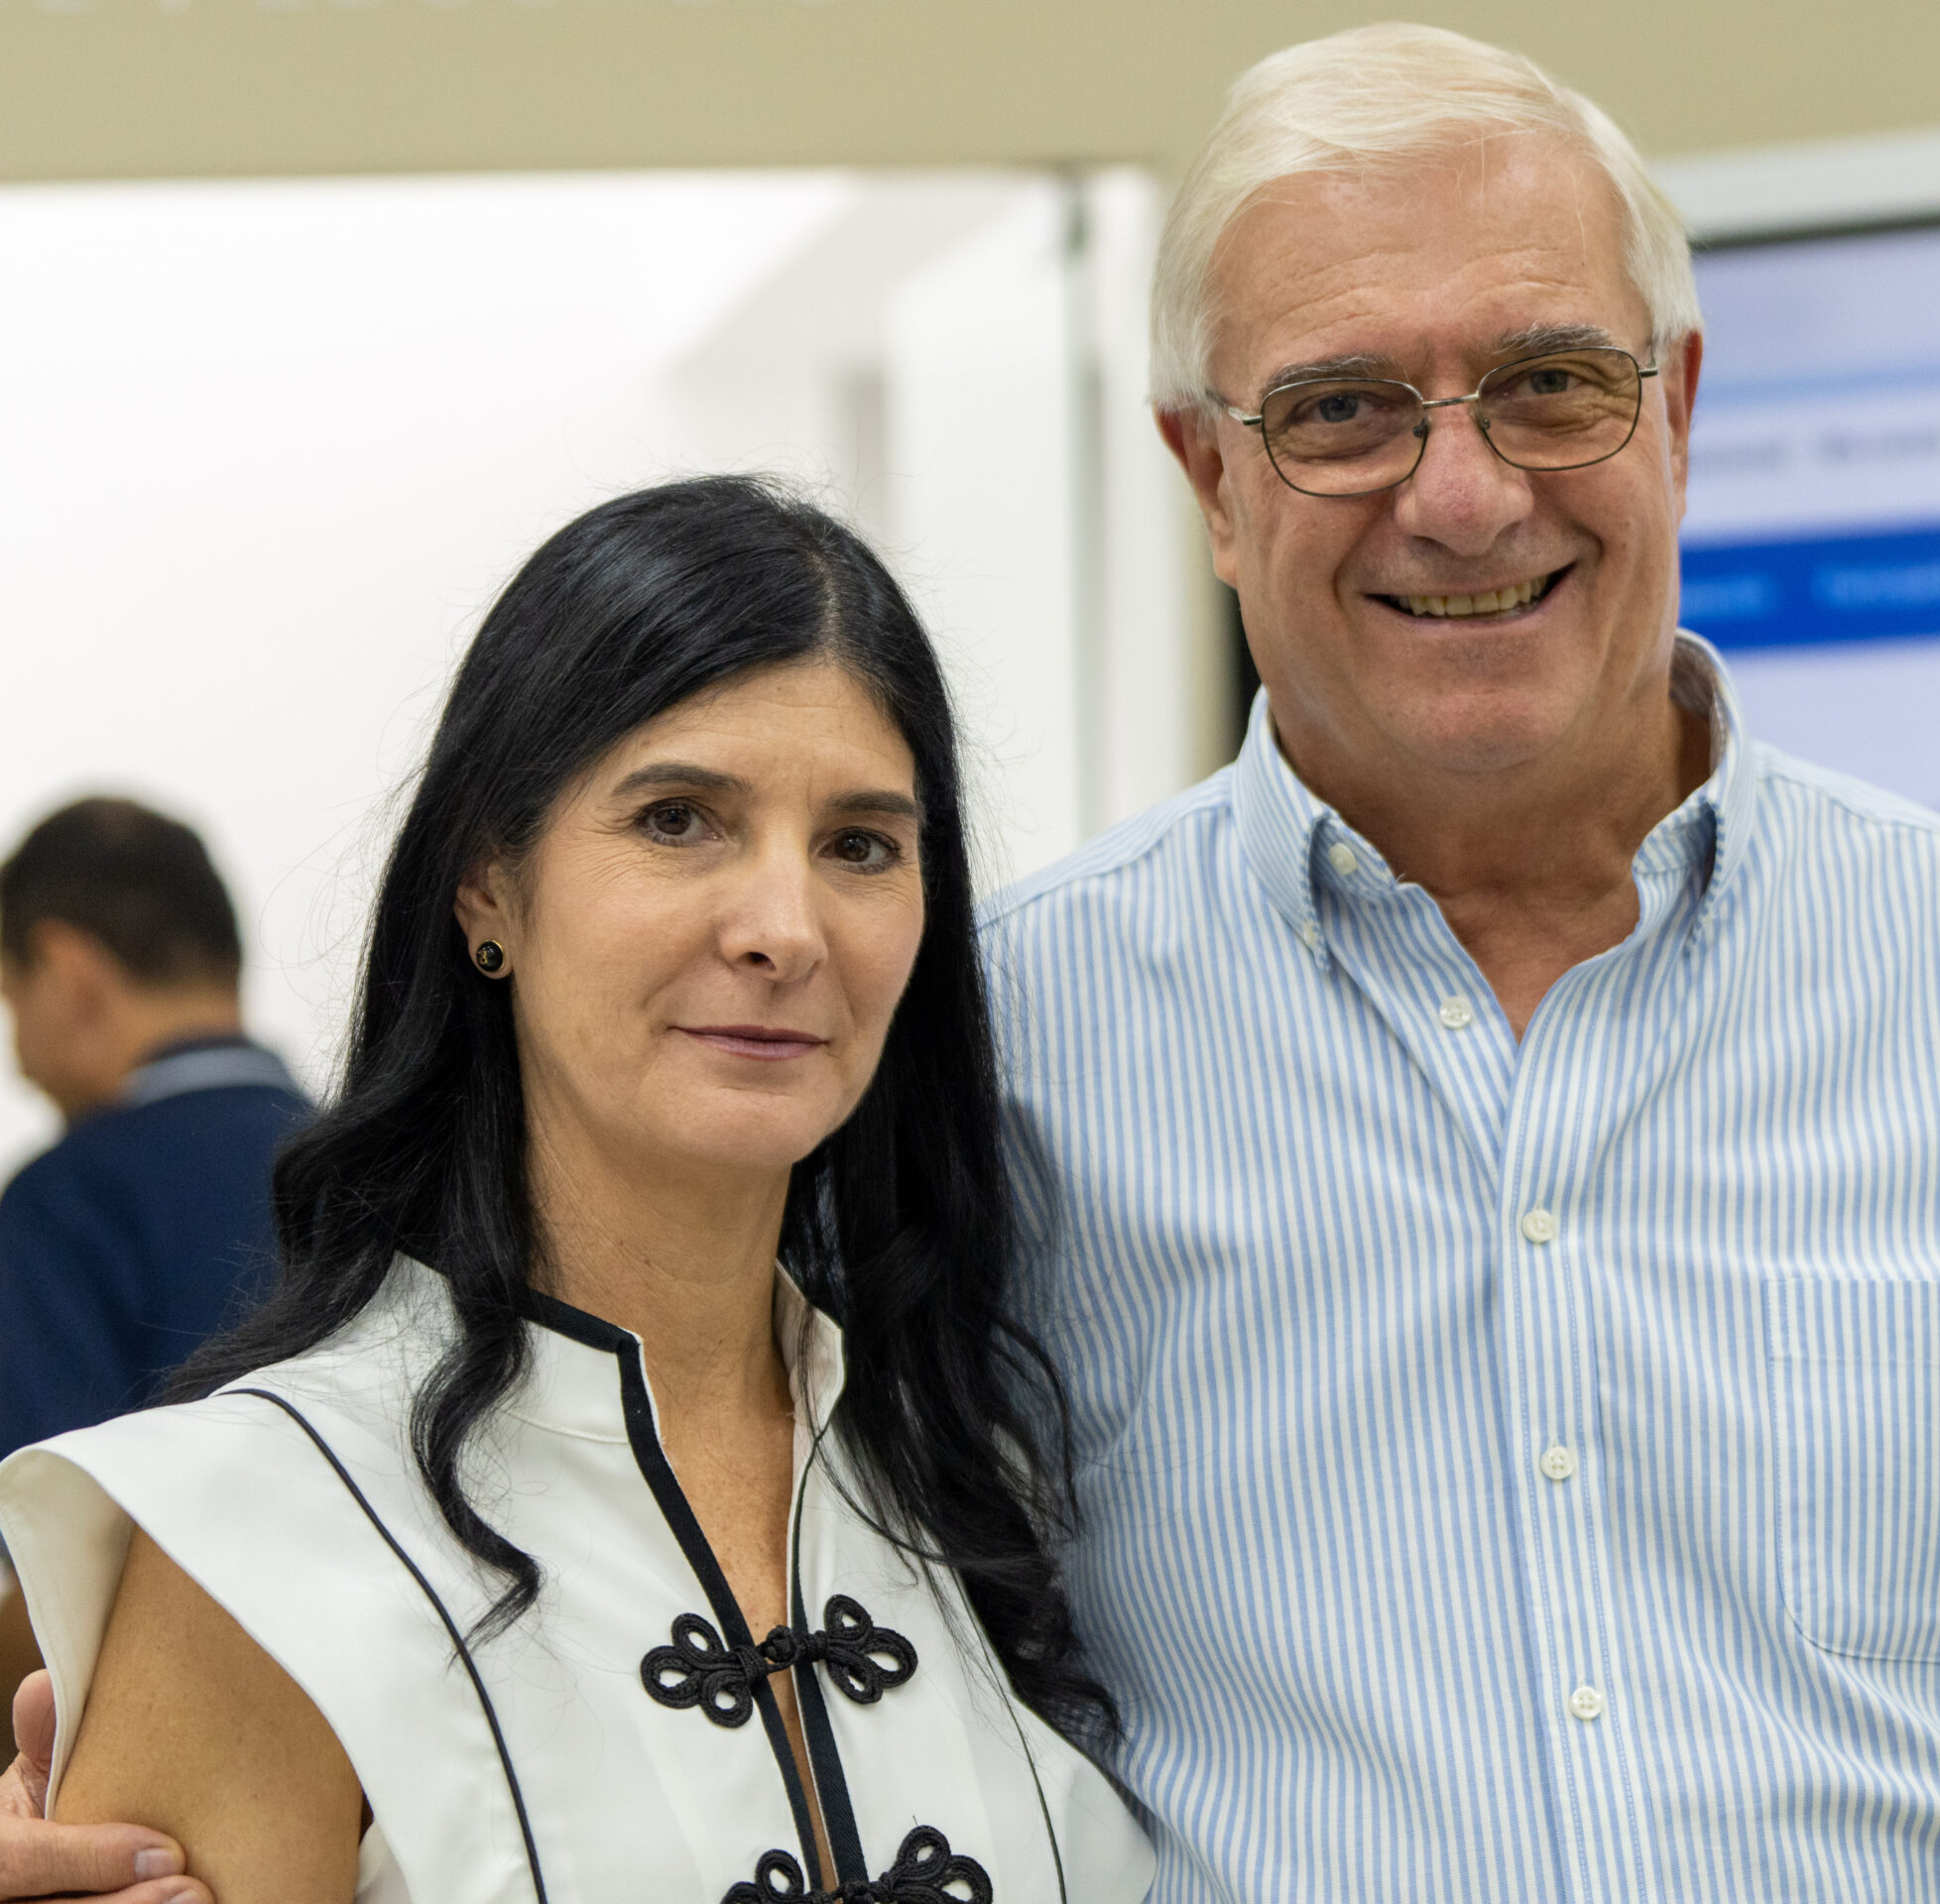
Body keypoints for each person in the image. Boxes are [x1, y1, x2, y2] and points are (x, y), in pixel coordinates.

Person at [976, 24, 1940, 1903]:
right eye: (1342, 409)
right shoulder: (1009, 1047)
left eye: (1549, 384)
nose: (1463, 495)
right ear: (1209, 480)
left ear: (1673, 408)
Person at [0, 478, 1151, 1902]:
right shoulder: (261, 1529)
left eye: (860, 844)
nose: (785, 929)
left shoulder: (973, 1478)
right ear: (487, 883)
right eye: (679, 819)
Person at [0, 799, 309, 1702]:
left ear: (70, 976)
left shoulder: (66, 1203)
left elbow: (51, 1579)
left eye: (12, 1005)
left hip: (178, 1735)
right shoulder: (392, 1170)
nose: (21, 1059)